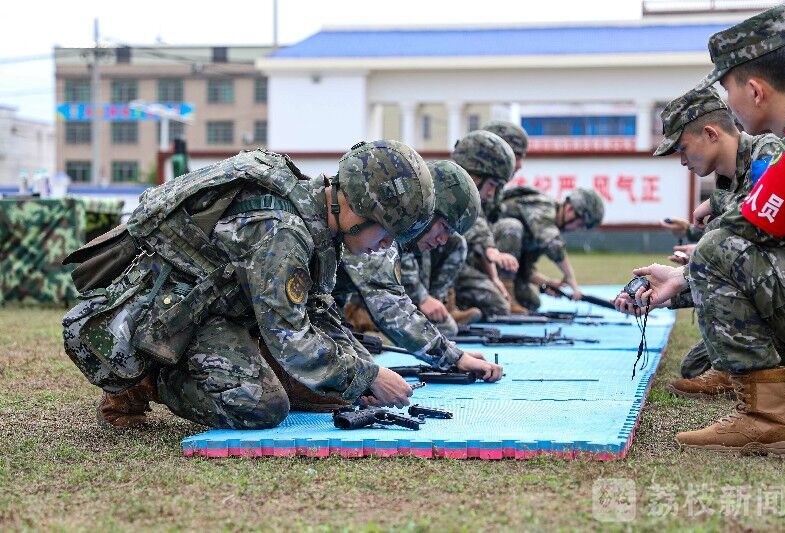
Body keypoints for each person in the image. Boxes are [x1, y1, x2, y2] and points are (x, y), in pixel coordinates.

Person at [62, 140, 437, 429]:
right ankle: (151, 378)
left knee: (333, 393)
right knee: (261, 406)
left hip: (219, 312)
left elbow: (318, 311)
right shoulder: (283, 232)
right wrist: (369, 375)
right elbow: (290, 338)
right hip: (173, 320)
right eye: (386, 233)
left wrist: (363, 377)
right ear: (359, 209)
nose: (386, 245)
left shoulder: (318, 221)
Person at [616, 5, 785, 455]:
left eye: (727, 89)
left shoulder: (783, 147)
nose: (729, 106)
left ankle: (765, 419)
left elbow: (744, 233)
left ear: (754, 90)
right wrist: (681, 276)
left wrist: (686, 270)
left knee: (717, 246)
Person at [649, 86, 783, 394]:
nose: (682, 160)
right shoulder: (725, 184)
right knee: (695, 366)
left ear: (711, 134)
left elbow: (764, 220)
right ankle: (758, 366)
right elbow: (727, 268)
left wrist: (716, 204)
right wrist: (664, 297)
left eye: (683, 148)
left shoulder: (767, 151)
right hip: (772, 288)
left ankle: (772, 369)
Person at [335, 160, 502, 382]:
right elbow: (392, 309)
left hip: (318, 319)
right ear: (425, 211)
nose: (443, 240)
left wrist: (454, 354)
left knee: (365, 375)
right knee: (363, 380)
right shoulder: (381, 230)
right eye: (444, 227)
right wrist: (455, 357)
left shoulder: (397, 239)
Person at [493, 187, 604, 311]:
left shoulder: (547, 229)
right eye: (580, 224)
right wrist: (570, 277)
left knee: (531, 302)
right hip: (483, 253)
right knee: (512, 227)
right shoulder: (544, 207)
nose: (577, 229)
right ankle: (505, 298)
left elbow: (525, 269)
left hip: (497, 268)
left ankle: (499, 298)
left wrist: (547, 282)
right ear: (569, 210)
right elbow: (552, 243)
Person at [451, 130, 520, 318]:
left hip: (459, 266)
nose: (492, 193)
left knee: (500, 305)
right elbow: (476, 223)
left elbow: (480, 221)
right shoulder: (451, 191)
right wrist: (491, 250)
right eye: (491, 184)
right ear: (475, 177)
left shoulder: (477, 197)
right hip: (427, 273)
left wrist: (495, 277)